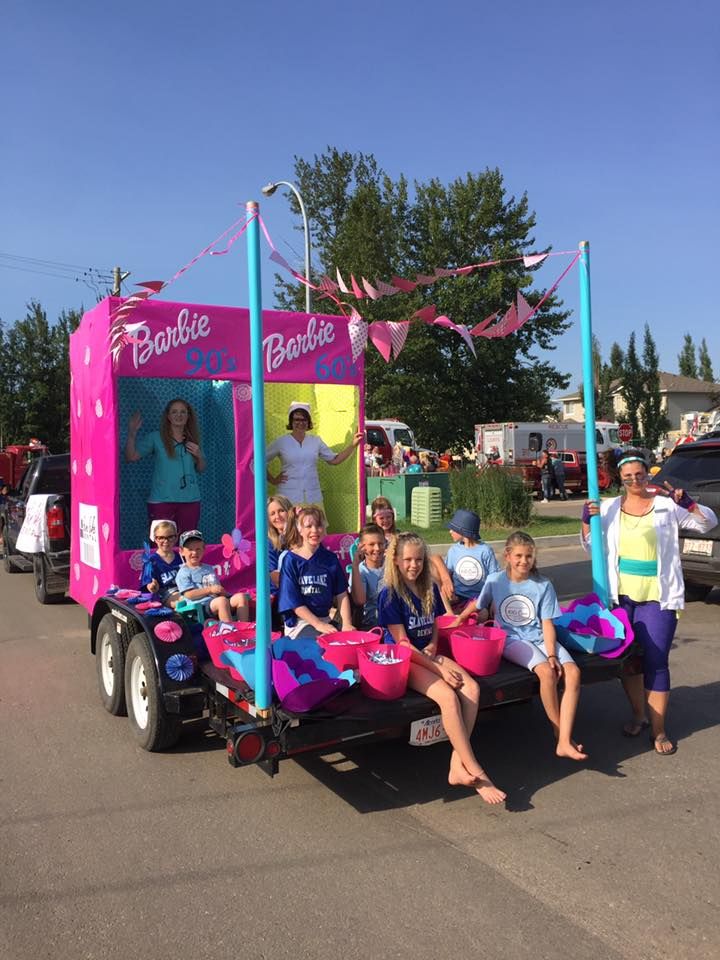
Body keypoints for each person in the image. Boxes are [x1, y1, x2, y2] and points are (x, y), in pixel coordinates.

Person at [582, 450, 718, 755]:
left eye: (639, 475)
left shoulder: (666, 506)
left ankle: (658, 730)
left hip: (658, 596)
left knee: (656, 661)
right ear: (620, 478)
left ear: (648, 474)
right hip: (621, 597)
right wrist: (586, 523)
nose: (634, 480)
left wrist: (691, 505)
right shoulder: (608, 508)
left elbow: (707, 524)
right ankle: (639, 716)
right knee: (628, 661)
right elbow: (591, 545)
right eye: (628, 476)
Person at [377, 532, 506, 804]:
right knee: (448, 697)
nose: (414, 565)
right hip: (403, 659)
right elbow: (402, 644)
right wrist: (440, 670)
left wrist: (435, 646)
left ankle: (457, 764)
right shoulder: (389, 594)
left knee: (470, 688)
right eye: (408, 560)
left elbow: (435, 623)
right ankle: (478, 772)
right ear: (397, 561)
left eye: (419, 559)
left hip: (427, 653)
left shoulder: (428, 586)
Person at [454, 531, 587, 761]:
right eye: (519, 556)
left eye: (528, 556)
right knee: (546, 672)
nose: (524, 561)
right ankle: (560, 735)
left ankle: (564, 738)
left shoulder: (543, 585)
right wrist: (457, 619)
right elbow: (479, 604)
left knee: (573, 672)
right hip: (513, 639)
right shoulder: (495, 580)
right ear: (507, 555)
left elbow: (547, 624)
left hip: (538, 637)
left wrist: (553, 654)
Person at [125, 398, 205, 530]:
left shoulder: (194, 439)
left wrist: (199, 455)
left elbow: (201, 469)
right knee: (161, 546)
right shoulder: (156, 438)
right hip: (161, 501)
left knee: (187, 546)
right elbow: (131, 457)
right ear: (168, 416)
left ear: (188, 416)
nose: (179, 415)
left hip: (190, 501)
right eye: (174, 412)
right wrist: (132, 433)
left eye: (183, 412)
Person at [277, 504, 353, 639]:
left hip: (324, 620)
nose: (314, 530)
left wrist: (346, 623)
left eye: (319, 526)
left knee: (348, 642)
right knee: (321, 645)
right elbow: (294, 604)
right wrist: (318, 624)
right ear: (300, 530)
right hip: (300, 623)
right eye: (309, 526)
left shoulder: (330, 558)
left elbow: (342, 594)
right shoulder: (291, 560)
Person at [266, 402, 363, 506]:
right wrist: (273, 480)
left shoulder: (316, 441)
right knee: (290, 522)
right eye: (297, 419)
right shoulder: (281, 442)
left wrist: (353, 444)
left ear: (309, 422)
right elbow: (258, 462)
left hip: (312, 496)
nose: (300, 422)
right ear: (291, 421)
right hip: (288, 497)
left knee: (313, 522)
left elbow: (335, 460)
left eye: (304, 419)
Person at [175, 530, 249, 623]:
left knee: (240, 597)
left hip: (216, 601)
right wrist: (210, 590)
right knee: (221, 601)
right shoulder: (183, 572)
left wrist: (223, 592)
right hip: (200, 607)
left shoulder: (208, 568)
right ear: (181, 552)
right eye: (190, 549)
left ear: (203, 549)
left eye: (198, 549)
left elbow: (216, 589)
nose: (194, 553)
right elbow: (189, 595)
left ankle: (244, 628)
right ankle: (229, 630)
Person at [441, 508, 499, 610]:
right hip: (458, 598)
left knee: (482, 616)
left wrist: (493, 601)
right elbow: (447, 574)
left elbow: (494, 577)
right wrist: (450, 593)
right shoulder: (454, 550)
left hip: (479, 599)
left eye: (453, 529)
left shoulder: (485, 551)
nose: (450, 531)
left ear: (463, 531)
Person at [349, 523, 386, 628]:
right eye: (371, 544)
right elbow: (360, 600)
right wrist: (355, 565)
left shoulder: (391, 566)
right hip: (371, 625)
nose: (377, 548)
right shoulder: (361, 570)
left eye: (381, 543)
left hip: (394, 621)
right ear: (361, 547)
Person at [141, 519, 182, 606]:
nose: (166, 541)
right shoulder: (151, 561)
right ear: (155, 539)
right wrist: (152, 586)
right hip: (165, 594)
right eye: (161, 538)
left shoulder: (182, 557)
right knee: (184, 601)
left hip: (185, 589)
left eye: (170, 537)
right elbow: (147, 585)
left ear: (176, 538)